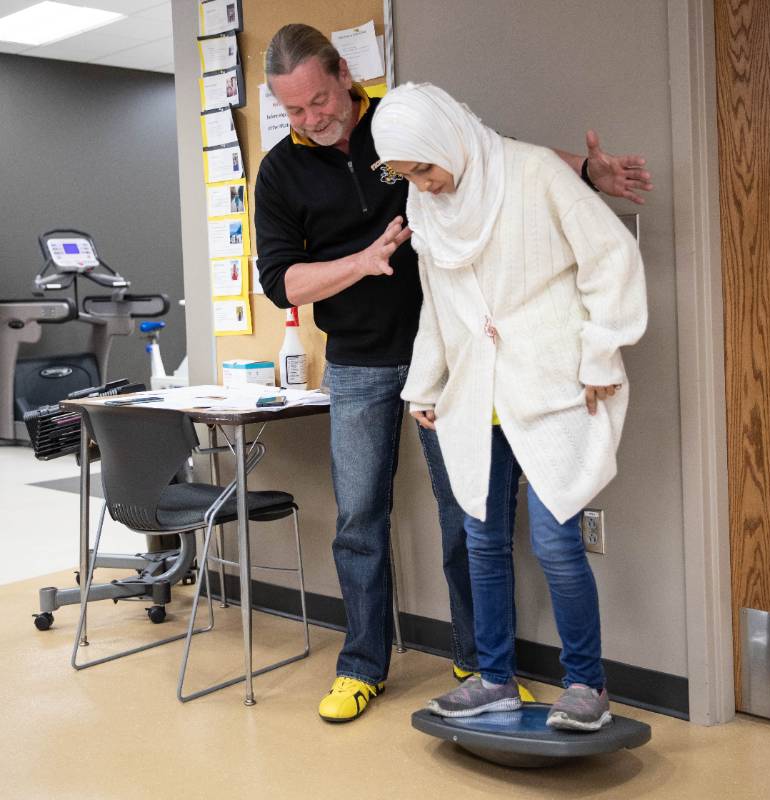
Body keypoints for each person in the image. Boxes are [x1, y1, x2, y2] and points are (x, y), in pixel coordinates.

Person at [254, 23, 653, 724]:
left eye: (319, 100)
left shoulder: (395, 136)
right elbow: (281, 282)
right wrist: (363, 263)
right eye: (293, 111)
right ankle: (364, 667)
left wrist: (584, 174)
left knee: (471, 517)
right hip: (366, 361)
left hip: (471, 358)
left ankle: (480, 661)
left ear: (344, 75)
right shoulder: (287, 172)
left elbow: (488, 152)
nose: (311, 119)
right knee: (363, 520)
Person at [371, 82, 647, 730]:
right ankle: (494, 679)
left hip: (552, 383)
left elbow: (611, 257)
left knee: (555, 543)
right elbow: (439, 307)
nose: (425, 185)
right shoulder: (427, 206)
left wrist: (602, 354)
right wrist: (426, 383)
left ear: (448, 141)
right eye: (410, 175)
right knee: (482, 540)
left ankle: (587, 686)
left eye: (426, 167)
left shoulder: (531, 173)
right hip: (478, 394)